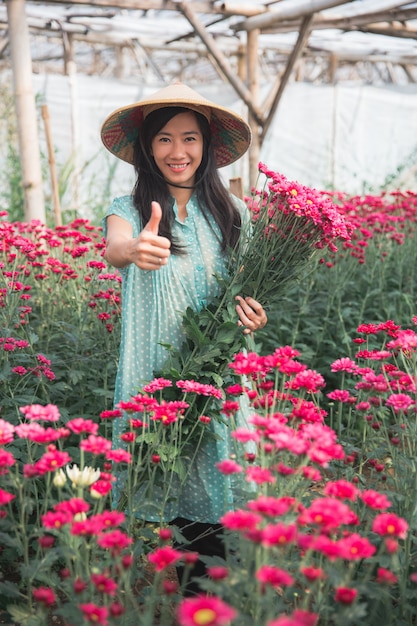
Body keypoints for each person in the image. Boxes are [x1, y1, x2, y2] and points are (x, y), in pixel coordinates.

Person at [100, 82, 267, 593]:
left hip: (220, 369)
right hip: (155, 367)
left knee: (216, 470)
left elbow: (249, 291)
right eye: (165, 139)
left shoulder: (234, 214)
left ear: (207, 146)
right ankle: (163, 588)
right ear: (148, 148)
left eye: (190, 138)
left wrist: (255, 314)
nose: (178, 152)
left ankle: (208, 589)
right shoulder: (127, 210)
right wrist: (136, 250)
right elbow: (116, 249)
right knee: (162, 464)